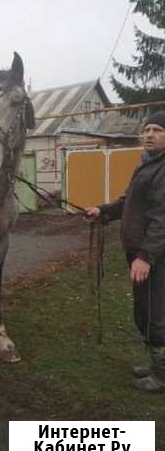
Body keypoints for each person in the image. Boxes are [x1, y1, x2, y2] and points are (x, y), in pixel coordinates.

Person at [85, 110, 165, 392]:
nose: (150, 134)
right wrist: (103, 211)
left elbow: (161, 219)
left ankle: (161, 376)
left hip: (155, 258)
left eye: (157, 130)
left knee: (155, 315)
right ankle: (156, 364)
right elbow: (129, 201)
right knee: (143, 312)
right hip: (140, 254)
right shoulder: (147, 164)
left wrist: (145, 257)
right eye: (148, 129)